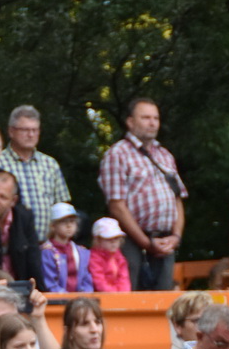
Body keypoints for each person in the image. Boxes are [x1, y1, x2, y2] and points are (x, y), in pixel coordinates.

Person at [99, 97, 187, 289]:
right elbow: (117, 206)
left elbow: (178, 200)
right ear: (130, 122)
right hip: (131, 241)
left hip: (166, 241)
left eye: (155, 118)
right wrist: (146, 243)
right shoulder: (117, 154)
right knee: (133, 300)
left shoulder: (165, 155)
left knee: (165, 305)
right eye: (146, 117)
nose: (152, 122)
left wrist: (176, 237)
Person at [0, 105, 69, 243]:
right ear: (11, 131)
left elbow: (61, 207)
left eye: (35, 130)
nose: (31, 135)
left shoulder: (50, 164)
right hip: (9, 244)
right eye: (25, 130)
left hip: (46, 248)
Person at [37, 201, 93, 293]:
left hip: (80, 301)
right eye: (63, 222)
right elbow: (49, 282)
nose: (69, 225)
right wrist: (66, 298)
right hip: (57, 300)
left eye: (72, 221)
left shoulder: (81, 251)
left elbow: (87, 278)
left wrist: (84, 295)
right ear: (53, 226)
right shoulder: (46, 251)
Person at [88, 217, 130, 293]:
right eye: (109, 238)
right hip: (101, 296)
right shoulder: (94, 258)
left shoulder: (119, 257)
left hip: (119, 296)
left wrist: (123, 295)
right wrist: (113, 295)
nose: (113, 242)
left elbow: (124, 278)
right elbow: (99, 281)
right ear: (98, 240)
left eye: (116, 238)